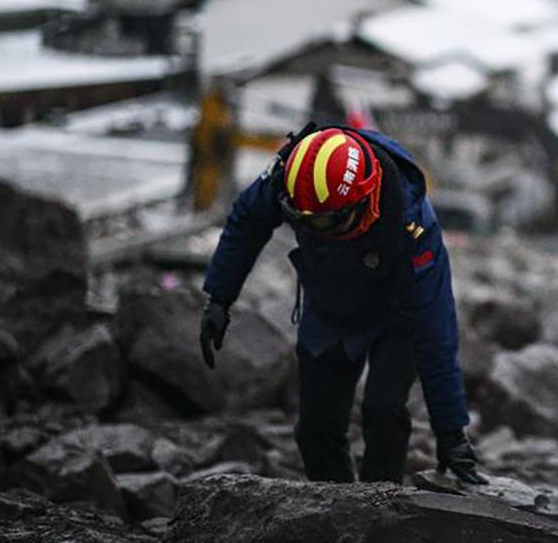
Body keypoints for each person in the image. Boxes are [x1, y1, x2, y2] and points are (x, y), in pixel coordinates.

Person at [198, 123, 486, 485]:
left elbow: (435, 332)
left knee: (384, 411)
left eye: (324, 222)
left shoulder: (413, 229)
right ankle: (332, 504)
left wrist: (451, 432)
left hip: (395, 316)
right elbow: (247, 220)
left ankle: (381, 503)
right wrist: (219, 298)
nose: (316, 231)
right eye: (304, 221)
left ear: (364, 198)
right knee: (315, 429)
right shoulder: (293, 179)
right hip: (329, 303)